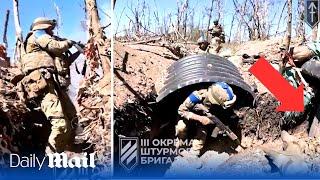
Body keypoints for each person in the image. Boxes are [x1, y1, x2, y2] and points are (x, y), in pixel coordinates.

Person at [19, 17, 77, 153]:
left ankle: (68, 151)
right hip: (42, 84)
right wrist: (69, 42)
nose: (52, 32)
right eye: (50, 29)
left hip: (50, 82)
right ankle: (51, 157)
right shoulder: (38, 34)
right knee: (61, 124)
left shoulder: (39, 45)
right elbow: (55, 47)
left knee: (71, 115)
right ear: (44, 27)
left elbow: (62, 60)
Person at [175, 82, 237, 156]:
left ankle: (195, 151)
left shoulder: (218, 104)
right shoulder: (197, 96)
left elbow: (217, 117)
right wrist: (200, 118)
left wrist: (212, 123)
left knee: (203, 132)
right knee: (181, 127)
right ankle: (181, 145)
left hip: (202, 121)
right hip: (187, 116)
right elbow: (181, 110)